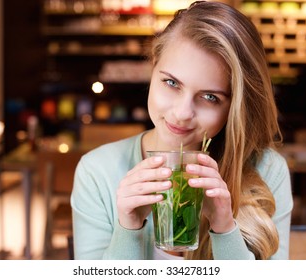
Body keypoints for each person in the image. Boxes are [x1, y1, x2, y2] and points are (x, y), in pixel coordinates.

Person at [71, 1, 293, 260]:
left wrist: (224, 228)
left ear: (235, 106)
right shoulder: (97, 172)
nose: (182, 113)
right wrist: (128, 229)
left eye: (210, 97)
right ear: (153, 66)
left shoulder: (266, 172)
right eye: (171, 82)